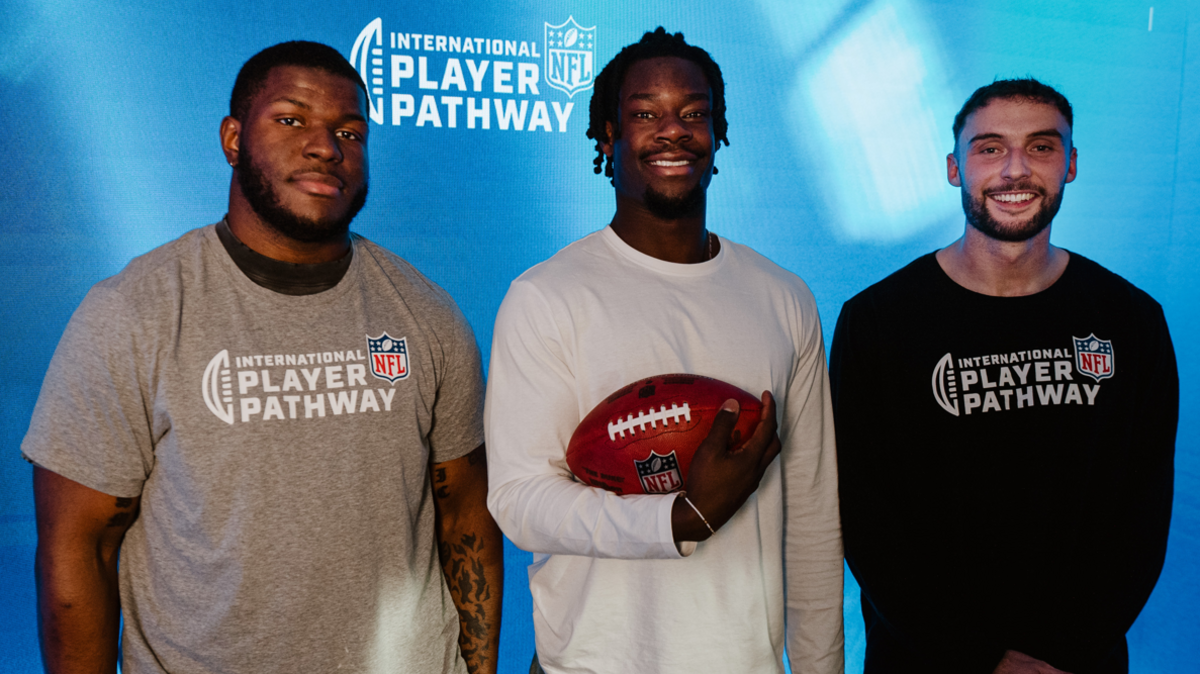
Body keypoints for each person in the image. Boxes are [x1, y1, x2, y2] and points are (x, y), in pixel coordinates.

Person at [25, 41, 502, 674]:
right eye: (290, 119)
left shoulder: (427, 314)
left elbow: (466, 520)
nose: (325, 146)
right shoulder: (134, 312)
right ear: (231, 138)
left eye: (349, 131)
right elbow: (77, 549)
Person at [485, 27, 844, 674]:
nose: (672, 131)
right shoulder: (546, 296)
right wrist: (682, 518)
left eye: (694, 113)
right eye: (645, 112)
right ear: (607, 137)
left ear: (719, 136)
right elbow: (519, 501)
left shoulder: (784, 297)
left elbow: (813, 515)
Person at [830, 79, 1177, 674]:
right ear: (953, 167)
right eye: (989, 148)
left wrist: (1064, 652)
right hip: (925, 660)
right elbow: (864, 516)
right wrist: (977, 656)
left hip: (1076, 661)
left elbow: (1142, 515)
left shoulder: (1130, 320)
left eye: (1041, 147)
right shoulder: (877, 322)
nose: (1015, 170)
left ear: (1070, 164)